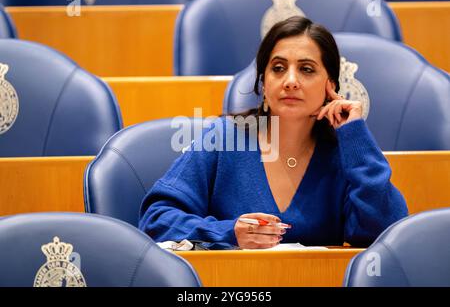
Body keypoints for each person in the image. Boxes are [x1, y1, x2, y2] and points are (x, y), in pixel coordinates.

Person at [139, 16, 408, 249]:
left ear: (330, 86)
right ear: (264, 84)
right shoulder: (224, 139)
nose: (290, 81)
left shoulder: (345, 154)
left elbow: (385, 234)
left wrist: (356, 136)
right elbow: (156, 219)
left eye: (306, 69)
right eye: (278, 68)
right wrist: (228, 233)